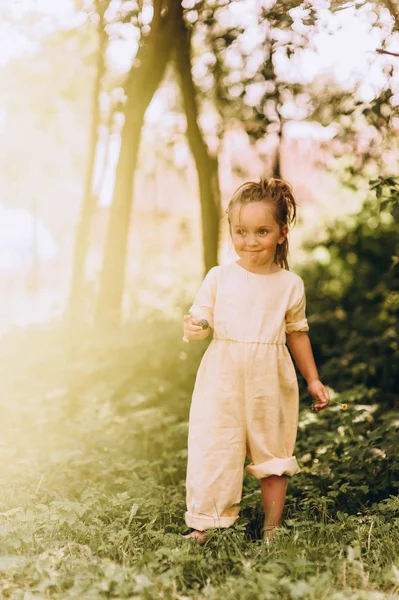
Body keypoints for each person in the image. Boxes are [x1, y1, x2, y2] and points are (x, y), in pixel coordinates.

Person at [182, 177, 330, 546]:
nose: (250, 241)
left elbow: (297, 332)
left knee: (274, 451)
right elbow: (200, 317)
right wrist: (197, 326)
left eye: (261, 231)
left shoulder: (290, 285)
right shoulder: (219, 277)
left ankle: (272, 530)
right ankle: (206, 524)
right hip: (223, 376)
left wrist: (312, 379)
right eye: (240, 231)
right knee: (215, 445)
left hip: (270, 378)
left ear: (282, 233)